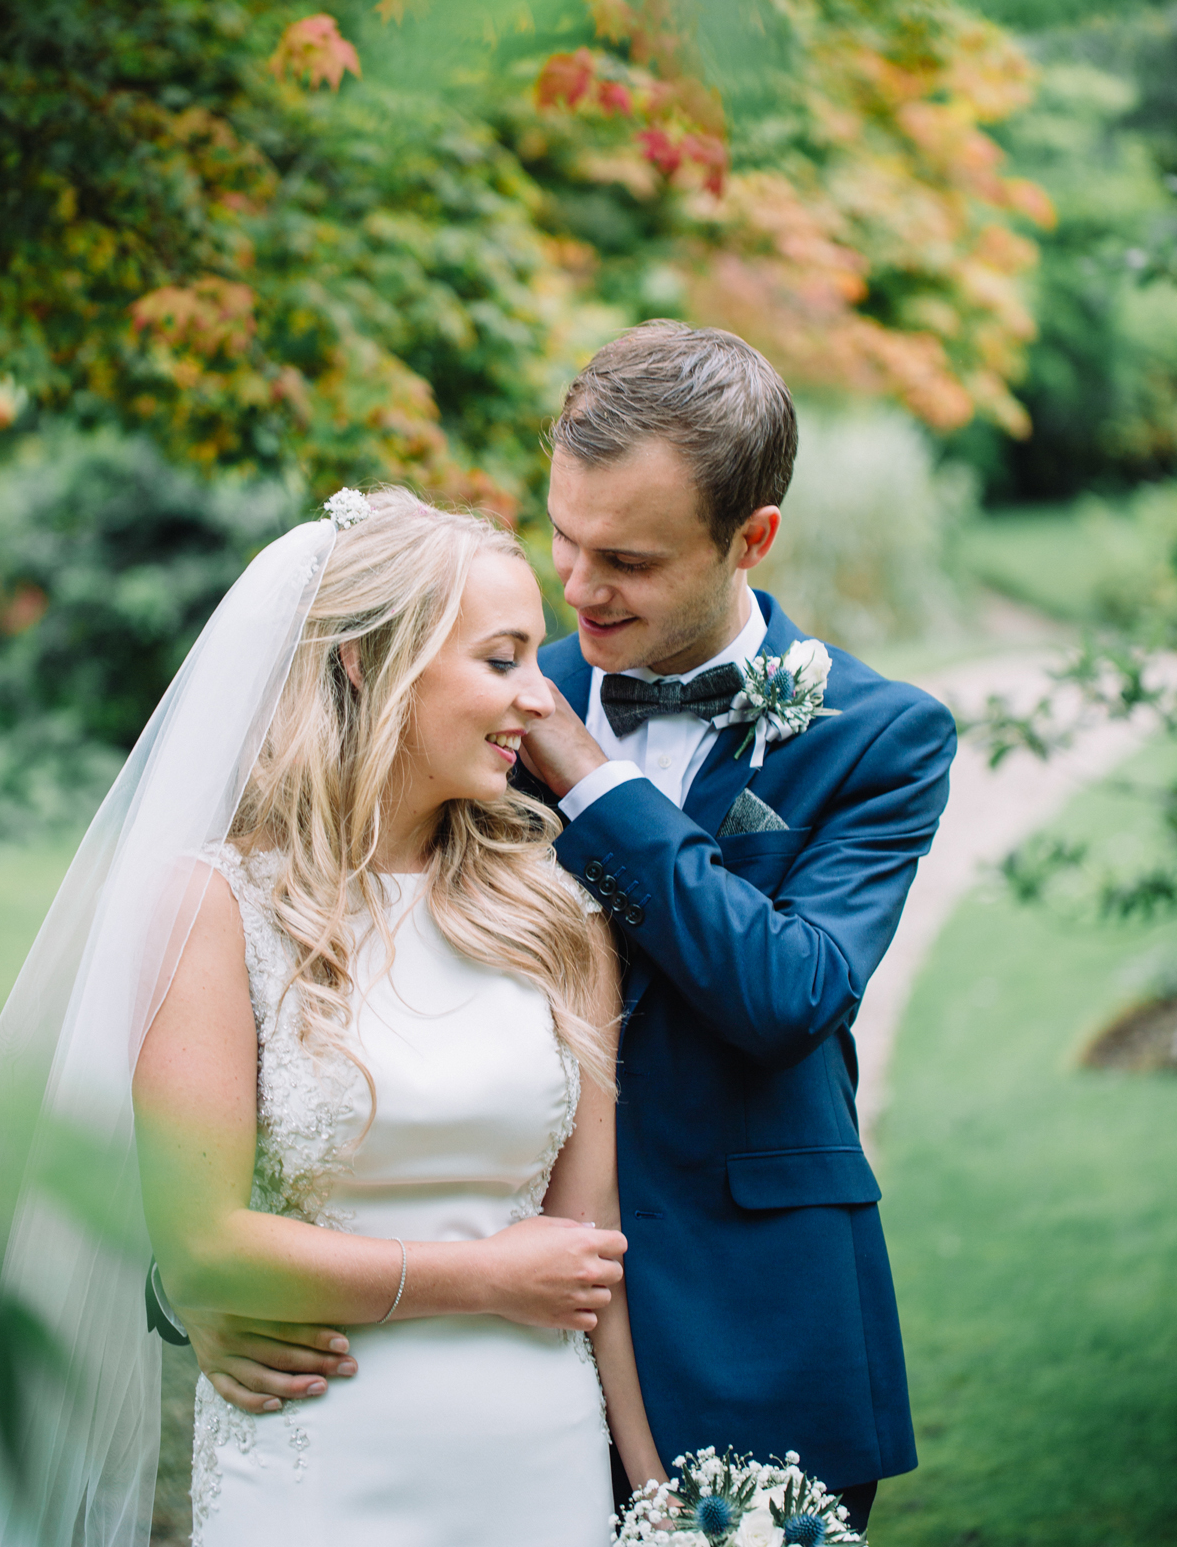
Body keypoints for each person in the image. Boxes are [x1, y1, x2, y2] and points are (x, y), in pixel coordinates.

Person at [170, 322, 957, 1531]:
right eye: (564, 538)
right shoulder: (462, 693)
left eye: (628, 560)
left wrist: (592, 781)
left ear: (750, 538)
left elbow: (787, 996)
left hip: (753, 1313)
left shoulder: (878, 736)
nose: (580, 589)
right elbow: (280, 976)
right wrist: (203, 1284)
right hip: (467, 1349)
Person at [0, 489, 666, 1547]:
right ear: (364, 662)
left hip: (536, 1454)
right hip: (316, 1453)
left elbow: (587, 1243)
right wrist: (479, 1277)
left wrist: (655, 1497)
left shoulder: (556, 914)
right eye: (501, 659)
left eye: (537, 657)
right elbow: (202, 1246)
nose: (539, 696)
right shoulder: (215, 906)